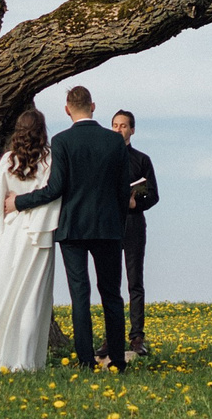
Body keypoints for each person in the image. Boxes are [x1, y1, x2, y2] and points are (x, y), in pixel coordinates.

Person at [9, 84, 132, 370]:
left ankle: (86, 360)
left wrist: (19, 202)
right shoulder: (114, 141)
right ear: (93, 106)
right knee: (112, 294)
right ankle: (117, 359)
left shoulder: (62, 141)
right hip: (107, 227)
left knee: (80, 295)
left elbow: (55, 188)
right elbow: (123, 189)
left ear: (67, 110)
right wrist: (118, 224)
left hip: (72, 228)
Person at [0, 107, 62, 371]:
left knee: (2, 293)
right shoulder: (49, 160)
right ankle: (25, 360)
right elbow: (53, 195)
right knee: (32, 298)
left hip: (11, 232)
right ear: (42, 131)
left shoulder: (9, 161)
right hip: (38, 234)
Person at [112, 110, 160, 356]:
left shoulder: (142, 160)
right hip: (110, 223)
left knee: (135, 282)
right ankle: (112, 337)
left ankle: (137, 337)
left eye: (123, 126)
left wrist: (135, 203)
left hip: (133, 223)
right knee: (110, 283)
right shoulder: (105, 157)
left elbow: (154, 195)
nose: (119, 129)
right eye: (115, 125)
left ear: (132, 130)